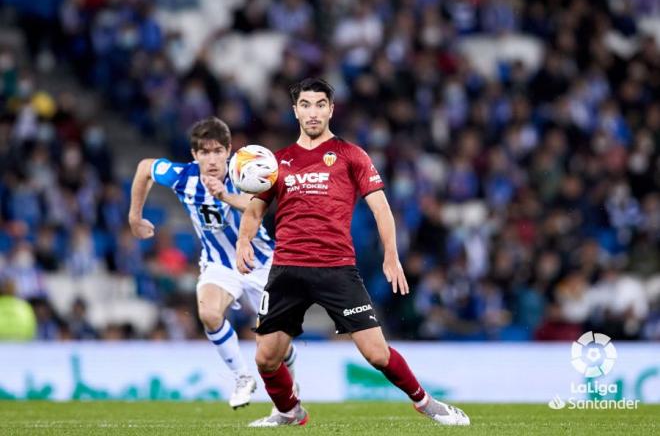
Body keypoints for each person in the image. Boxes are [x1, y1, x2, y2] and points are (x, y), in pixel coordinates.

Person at [236, 78, 470, 427]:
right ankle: (289, 412)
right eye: (305, 104)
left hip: (336, 269)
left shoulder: (350, 155)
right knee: (266, 358)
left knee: (376, 353)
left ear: (330, 109)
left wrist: (391, 255)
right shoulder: (277, 162)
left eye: (319, 104)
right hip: (286, 269)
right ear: (295, 110)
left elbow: (381, 209)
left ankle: (427, 403)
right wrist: (243, 242)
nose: (312, 112)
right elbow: (254, 211)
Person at [128, 117, 298, 409]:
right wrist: (135, 216)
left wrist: (225, 195)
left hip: (261, 263)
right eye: (204, 152)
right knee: (208, 313)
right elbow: (145, 167)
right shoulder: (183, 177)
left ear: (229, 151)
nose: (212, 159)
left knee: (272, 348)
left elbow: (257, 204)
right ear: (194, 155)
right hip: (219, 264)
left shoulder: (244, 172)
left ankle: (290, 383)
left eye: (217, 151)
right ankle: (242, 377)